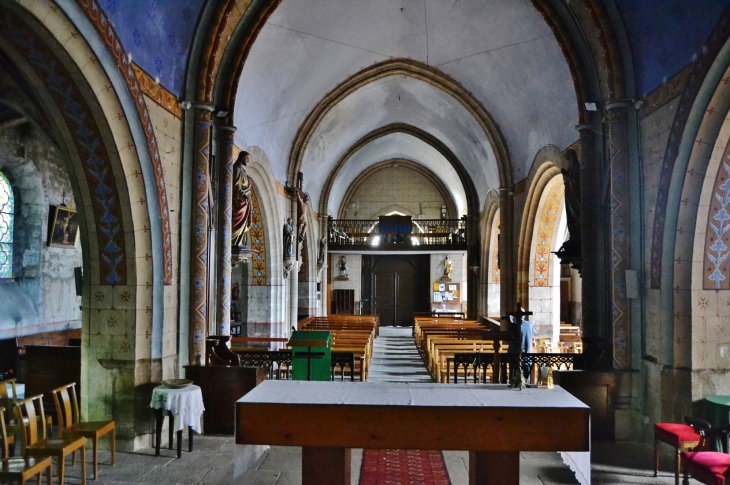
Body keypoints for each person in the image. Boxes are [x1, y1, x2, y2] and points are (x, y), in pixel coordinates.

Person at [231, 151, 252, 247]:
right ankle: (234, 241)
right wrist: (243, 196)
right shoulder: (237, 168)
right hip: (239, 201)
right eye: (247, 158)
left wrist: (249, 186)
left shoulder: (243, 170)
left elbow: (244, 185)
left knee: (243, 225)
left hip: (244, 201)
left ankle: (240, 242)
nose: (248, 160)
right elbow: (236, 186)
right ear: (243, 158)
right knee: (237, 223)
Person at [508, 307, 533, 380]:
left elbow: (510, 335)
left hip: (515, 354)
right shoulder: (529, 325)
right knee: (526, 376)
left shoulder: (513, 326)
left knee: (514, 376)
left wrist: (510, 320)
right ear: (524, 315)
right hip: (527, 355)